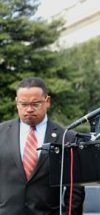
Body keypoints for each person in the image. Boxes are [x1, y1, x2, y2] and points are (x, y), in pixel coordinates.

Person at [0, 77, 85, 214]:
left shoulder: (66, 137)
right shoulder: (1, 133)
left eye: (35, 104)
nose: (29, 109)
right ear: (17, 103)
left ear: (47, 102)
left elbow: (74, 190)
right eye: (23, 104)